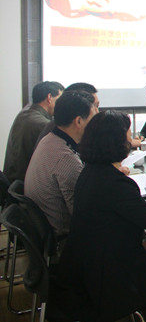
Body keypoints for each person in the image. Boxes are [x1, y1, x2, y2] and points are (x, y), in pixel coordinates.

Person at [55, 111, 146, 322]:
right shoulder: (115, 183)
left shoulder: (91, 171)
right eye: (128, 135)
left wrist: (139, 242)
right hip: (109, 273)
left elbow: (107, 222)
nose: (131, 140)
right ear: (117, 141)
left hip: (88, 262)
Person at [24, 90, 97, 238]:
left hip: (46, 227)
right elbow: (85, 216)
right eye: (93, 119)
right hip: (65, 237)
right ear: (78, 121)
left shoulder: (50, 139)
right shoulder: (65, 159)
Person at [4, 81, 64, 182]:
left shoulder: (24, 114)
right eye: (60, 100)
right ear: (49, 97)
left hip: (13, 180)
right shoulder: (42, 124)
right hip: (25, 183)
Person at [36, 82, 100, 146]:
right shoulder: (59, 132)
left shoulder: (58, 127)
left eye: (97, 106)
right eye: (94, 106)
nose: (97, 112)